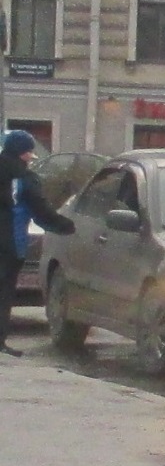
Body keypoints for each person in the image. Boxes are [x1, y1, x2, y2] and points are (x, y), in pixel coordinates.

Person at [1, 130, 76, 357]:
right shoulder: (24, 179)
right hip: (10, 243)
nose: (30, 156)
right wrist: (66, 226)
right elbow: (40, 211)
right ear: (23, 153)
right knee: (3, 293)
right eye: (29, 152)